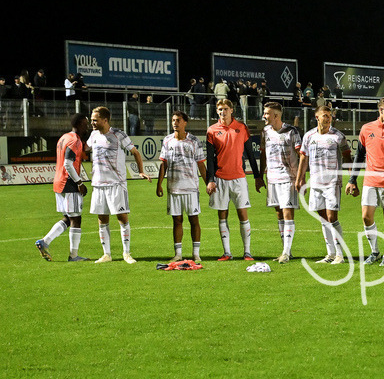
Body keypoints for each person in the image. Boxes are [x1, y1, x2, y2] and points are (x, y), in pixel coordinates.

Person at [345, 96, 384, 266]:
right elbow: (359, 155)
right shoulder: (366, 129)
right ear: (381, 110)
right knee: (366, 217)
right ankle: (375, 251)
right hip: (370, 180)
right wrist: (352, 179)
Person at [86, 106, 151, 263]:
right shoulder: (93, 135)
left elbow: (135, 152)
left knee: (122, 217)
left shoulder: (118, 134)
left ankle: (126, 253)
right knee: (102, 219)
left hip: (116, 183)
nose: (92, 123)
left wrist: (140, 171)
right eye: (92, 120)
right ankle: (106, 254)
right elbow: (85, 149)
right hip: (98, 184)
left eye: (95, 120)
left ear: (105, 120)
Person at [206, 99, 264, 261]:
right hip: (220, 180)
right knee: (222, 216)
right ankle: (227, 253)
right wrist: (210, 179)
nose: (222, 112)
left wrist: (257, 177)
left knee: (243, 215)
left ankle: (247, 252)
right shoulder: (212, 130)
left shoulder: (241, 128)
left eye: (225, 109)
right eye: (219, 109)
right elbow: (209, 159)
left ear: (232, 110)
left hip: (239, 179)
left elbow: (250, 154)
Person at [297, 105, 351, 264]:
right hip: (315, 182)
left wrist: (351, 179)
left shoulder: (338, 136)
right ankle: (330, 254)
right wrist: (300, 179)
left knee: (332, 217)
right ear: (316, 117)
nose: (327, 118)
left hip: (332, 183)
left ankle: (340, 255)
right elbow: (303, 158)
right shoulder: (308, 136)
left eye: (329, 116)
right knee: (323, 218)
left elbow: (347, 157)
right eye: (324, 115)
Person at [35, 113, 92, 262]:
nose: (87, 127)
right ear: (79, 124)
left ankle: (44, 242)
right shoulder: (74, 141)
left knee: (68, 218)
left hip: (58, 182)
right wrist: (79, 182)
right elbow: (68, 163)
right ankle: (73, 255)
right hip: (69, 183)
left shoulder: (65, 137)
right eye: (86, 124)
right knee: (76, 219)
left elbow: (85, 149)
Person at [156, 111, 206, 263]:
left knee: (193, 220)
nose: (175, 123)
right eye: (173, 120)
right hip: (174, 187)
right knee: (177, 221)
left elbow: (201, 165)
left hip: (191, 188)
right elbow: (163, 163)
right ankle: (178, 254)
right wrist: (159, 184)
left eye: (178, 120)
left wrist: (208, 183)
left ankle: (195, 253)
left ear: (185, 122)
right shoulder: (167, 140)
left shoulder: (194, 141)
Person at [260, 101, 302, 263]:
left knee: (287, 212)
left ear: (276, 115)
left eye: (267, 113)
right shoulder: (265, 131)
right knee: (279, 213)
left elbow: (301, 154)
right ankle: (286, 251)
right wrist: (260, 175)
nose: (264, 116)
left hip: (288, 179)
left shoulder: (291, 132)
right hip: (272, 179)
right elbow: (263, 153)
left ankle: (286, 251)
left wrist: (300, 177)